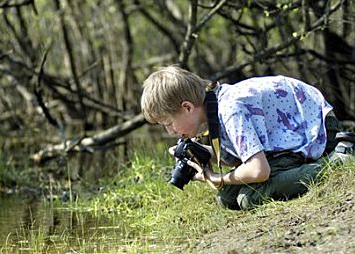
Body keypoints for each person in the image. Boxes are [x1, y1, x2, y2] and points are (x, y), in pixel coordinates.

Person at [140, 65, 342, 210]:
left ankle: (339, 160)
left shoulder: (229, 109)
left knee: (249, 197)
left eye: (168, 123)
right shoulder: (215, 106)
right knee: (227, 197)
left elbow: (258, 170)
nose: (170, 132)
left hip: (318, 130)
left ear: (187, 107)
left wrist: (216, 178)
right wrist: (203, 155)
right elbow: (241, 157)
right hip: (289, 138)